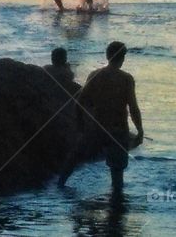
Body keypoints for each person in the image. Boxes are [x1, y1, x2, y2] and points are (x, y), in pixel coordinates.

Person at [59, 41, 143, 194]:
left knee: (75, 157)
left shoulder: (95, 75)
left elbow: (79, 103)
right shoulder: (126, 79)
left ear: (108, 56)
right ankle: (115, 204)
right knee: (117, 174)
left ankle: (60, 186)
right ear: (122, 58)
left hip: (96, 128)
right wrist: (140, 130)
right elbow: (133, 108)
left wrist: (80, 125)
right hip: (118, 130)